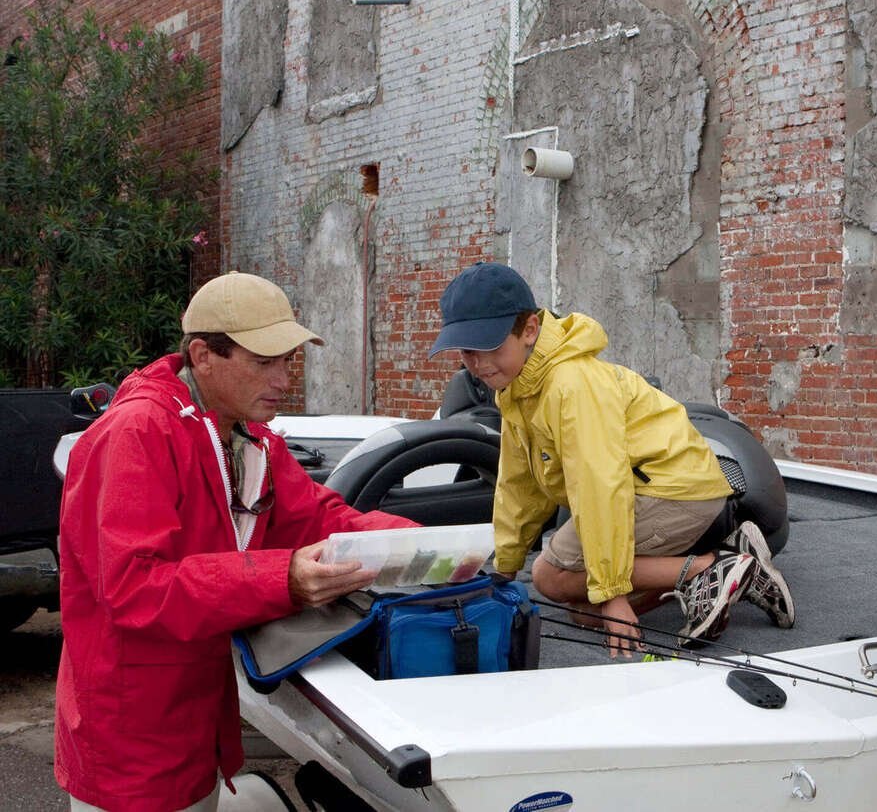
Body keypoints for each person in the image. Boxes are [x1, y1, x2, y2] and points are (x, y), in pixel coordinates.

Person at [55, 272, 419, 812]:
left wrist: (422, 543)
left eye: (288, 361)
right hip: (130, 731)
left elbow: (316, 518)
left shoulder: (247, 435)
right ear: (203, 355)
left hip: (194, 710)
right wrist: (282, 579)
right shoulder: (137, 433)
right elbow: (134, 588)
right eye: (265, 362)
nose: (284, 379)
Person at [429, 262, 794, 657]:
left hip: (675, 491)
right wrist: (504, 568)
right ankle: (732, 562)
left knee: (549, 576)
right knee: (585, 615)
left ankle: (710, 568)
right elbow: (520, 484)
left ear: (530, 330)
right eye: (467, 351)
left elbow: (600, 486)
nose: (479, 363)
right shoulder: (518, 388)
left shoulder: (571, 385)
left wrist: (614, 593)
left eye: (491, 348)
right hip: (658, 490)